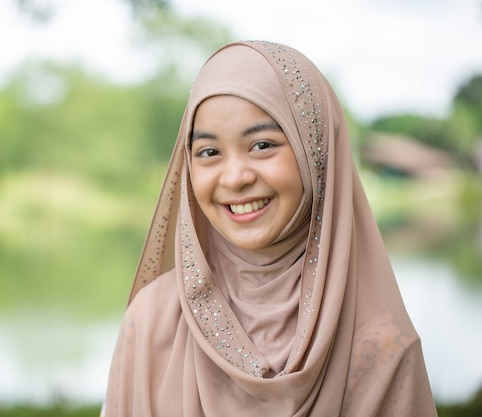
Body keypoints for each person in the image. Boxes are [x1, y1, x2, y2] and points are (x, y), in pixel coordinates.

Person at [102, 40, 437, 416]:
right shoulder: (151, 321)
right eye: (209, 152)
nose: (235, 177)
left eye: (262, 145)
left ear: (316, 154)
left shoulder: (382, 347)